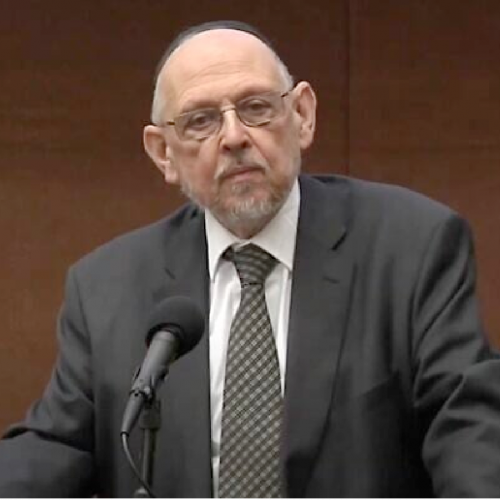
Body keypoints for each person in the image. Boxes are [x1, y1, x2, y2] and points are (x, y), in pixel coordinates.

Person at [1, 19, 500, 499]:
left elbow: (468, 429)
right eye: (200, 121)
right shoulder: (107, 287)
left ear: (302, 115)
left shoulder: (410, 248)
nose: (234, 137)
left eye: (256, 108)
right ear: (163, 154)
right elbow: (54, 447)